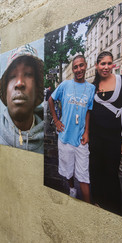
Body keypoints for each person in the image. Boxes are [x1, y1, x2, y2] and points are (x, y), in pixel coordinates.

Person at [89, 51, 122, 214]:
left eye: (109, 63)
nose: (106, 67)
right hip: (95, 137)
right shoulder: (93, 86)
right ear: (96, 66)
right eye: (102, 64)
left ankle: (113, 208)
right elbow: (89, 112)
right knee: (95, 170)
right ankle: (97, 202)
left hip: (114, 138)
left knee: (111, 173)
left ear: (113, 64)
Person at [48, 55, 95, 202]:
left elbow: (88, 110)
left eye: (81, 65)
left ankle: (87, 205)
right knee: (68, 171)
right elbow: (51, 99)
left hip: (81, 138)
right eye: (75, 67)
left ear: (86, 65)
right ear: (73, 69)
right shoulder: (65, 85)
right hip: (65, 136)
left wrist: (87, 131)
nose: (79, 69)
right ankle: (72, 189)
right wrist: (56, 120)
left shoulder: (91, 88)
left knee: (84, 175)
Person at [0, 44, 44, 153]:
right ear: (5, 91)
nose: (19, 83)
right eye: (12, 76)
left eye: (28, 74)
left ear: (37, 88)